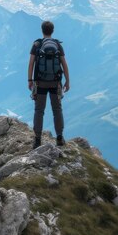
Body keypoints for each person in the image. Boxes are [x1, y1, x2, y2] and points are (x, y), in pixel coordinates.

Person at [28, 21, 70, 149]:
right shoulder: (57, 45)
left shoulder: (37, 44)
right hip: (55, 82)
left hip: (40, 82)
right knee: (57, 110)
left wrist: (30, 80)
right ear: (52, 30)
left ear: (42, 30)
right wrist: (67, 81)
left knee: (39, 110)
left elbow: (31, 64)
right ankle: (59, 138)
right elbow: (64, 64)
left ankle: (37, 139)